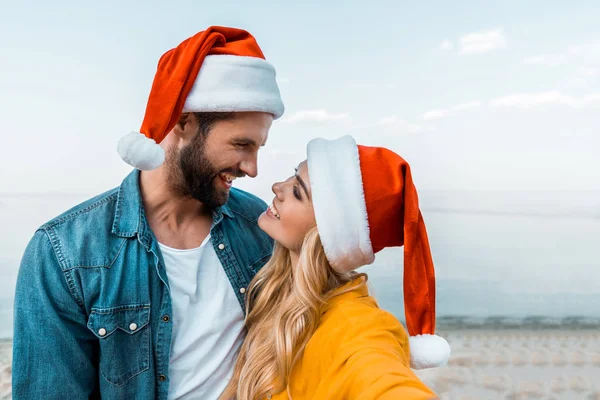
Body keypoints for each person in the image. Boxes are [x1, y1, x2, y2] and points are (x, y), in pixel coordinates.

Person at [12, 26, 284, 399]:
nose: (252, 168)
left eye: (258, 148)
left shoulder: (259, 226)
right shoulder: (64, 253)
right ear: (182, 122)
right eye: (241, 144)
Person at [221, 135, 451, 400]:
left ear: (327, 233)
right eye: (292, 176)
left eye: (297, 192)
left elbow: (383, 380)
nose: (277, 187)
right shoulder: (278, 290)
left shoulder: (357, 324)